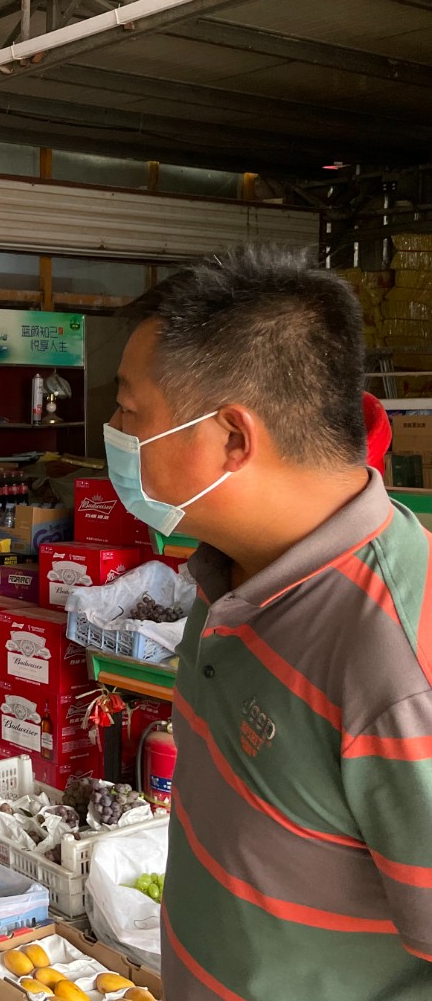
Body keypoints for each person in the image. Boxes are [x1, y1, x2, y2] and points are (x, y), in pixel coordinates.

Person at [107, 248, 432, 1000]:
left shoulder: (399, 662)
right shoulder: (229, 571)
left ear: (232, 438)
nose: (113, 431)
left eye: (128, 411)